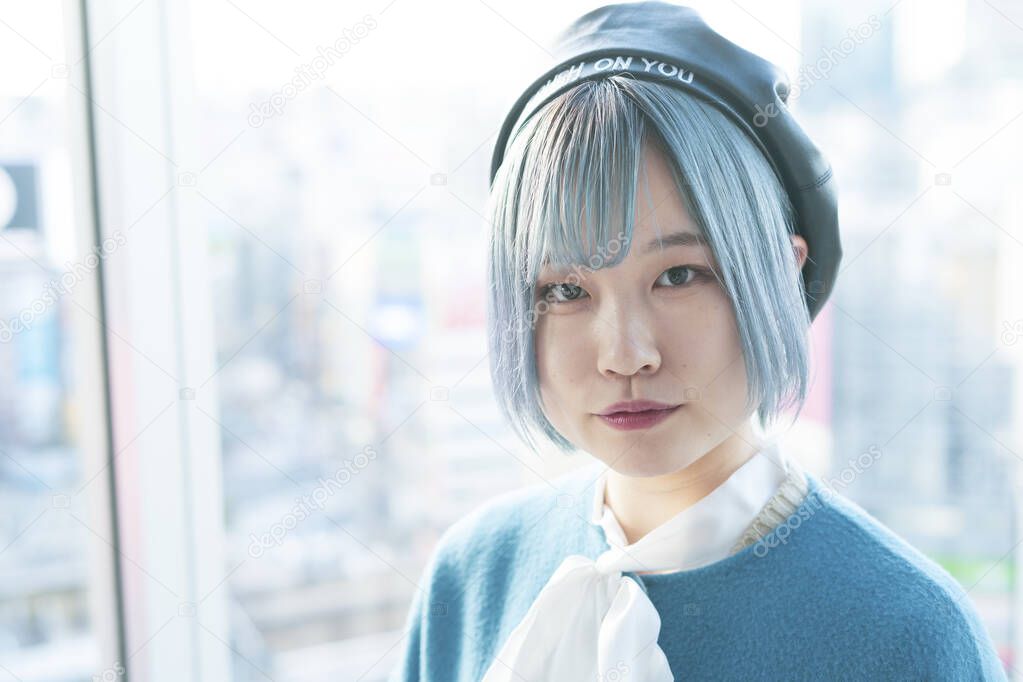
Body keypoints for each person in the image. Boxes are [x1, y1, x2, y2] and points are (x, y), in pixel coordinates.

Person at [390, 2, 1007, 680]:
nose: (625, 355)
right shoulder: (473, 574)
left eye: (678, 275)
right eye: (564, 291)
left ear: (780, 273)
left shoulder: (904, 633)